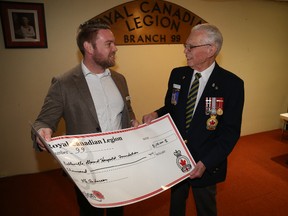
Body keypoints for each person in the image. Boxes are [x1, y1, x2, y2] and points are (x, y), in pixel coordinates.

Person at [31, 20, 139, 216]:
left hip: (119, 162)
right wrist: (41, 132)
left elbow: (127, 110)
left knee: (118, 210)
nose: (115, 48)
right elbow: (43, 121)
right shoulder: (63, 83)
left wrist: (132, 121)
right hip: (87, 168)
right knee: (91, 213)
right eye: (109, 44)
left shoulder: (119, 80)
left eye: (113, 43)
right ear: (88, 47)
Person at [142, 23, 244, 216]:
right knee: (176, 206)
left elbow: (230, 132)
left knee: (206, 208)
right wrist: (156, 113)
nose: (185, 51)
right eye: (185, 46)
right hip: (177, 157)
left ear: (210, 50)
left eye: (191, 47)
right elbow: (171, 108)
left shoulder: (232, 85)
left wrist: (206, 162)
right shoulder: (178, 75)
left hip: (205, 163)